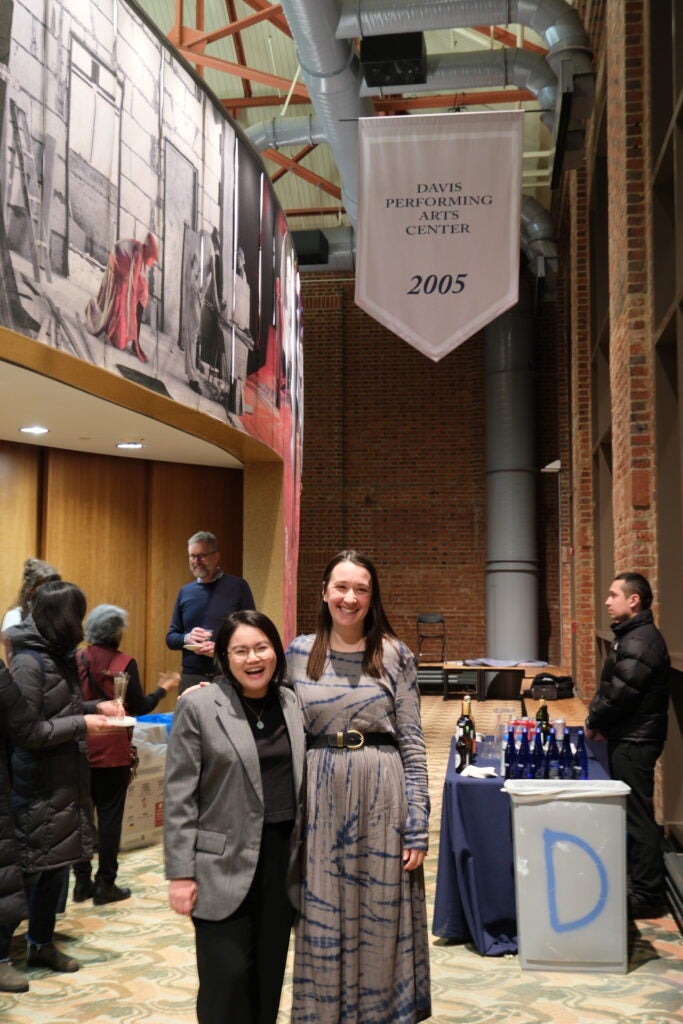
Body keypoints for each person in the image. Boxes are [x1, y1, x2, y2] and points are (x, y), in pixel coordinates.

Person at [286, 549, 431, 1024]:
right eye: (341, 587)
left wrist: (417, 823)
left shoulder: (394, 653)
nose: (350, 597)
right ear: (324, 592)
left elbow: (412, 742)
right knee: (321, 913)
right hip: (320, 798)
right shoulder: (298, 652)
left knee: (379, 918)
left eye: (361, 589)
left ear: (372, 598)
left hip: (380, 795)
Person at [164, 609, 305, 1024]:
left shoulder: (291, 703)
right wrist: (180, 873)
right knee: (225, 984)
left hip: (282, 862)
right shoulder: (201, 706)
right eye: (240, 650)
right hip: (219, 865)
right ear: (225, 657)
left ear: (276, 652)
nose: (252, 659)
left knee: (267, 981)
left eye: (261, 647)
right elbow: (178, 795)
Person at [1, 582, 123, 982]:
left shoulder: (59, 657)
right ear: (62, 617)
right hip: (34, 783)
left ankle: (41, 945)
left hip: (63, 780)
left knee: (55, 867)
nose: (83, 624)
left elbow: (60, 710)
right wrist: (83, 723)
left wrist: (93, 707)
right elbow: (28, 731)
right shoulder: (28, 663)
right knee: (21, 874)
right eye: (78, 615)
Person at [72, 604, 180, 906]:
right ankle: (106, 883)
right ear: (117, 631)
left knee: (81, 816)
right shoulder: (124, 662)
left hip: (79, 747)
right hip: (113, 752)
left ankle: (81, 882)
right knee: (109, 817)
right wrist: (163, 689)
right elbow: (141, 706)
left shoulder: (76, 658)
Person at [585, 572, 671, 920]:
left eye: (613, 595)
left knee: (638, 816)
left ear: (633, 600)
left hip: (636, 739)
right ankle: (637, 883)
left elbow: (622, 693)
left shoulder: (641, 640)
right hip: (629, 735)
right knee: (633, 812)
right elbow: (613, 687)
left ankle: (648, 894)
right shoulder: (632, 636)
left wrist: (596, 721)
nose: (607, 601)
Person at [166, 531, 255, 693]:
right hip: (192, 676)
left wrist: (221, 649)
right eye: (192, 556)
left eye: (201, 556)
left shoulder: (238, 587)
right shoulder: (185, 592)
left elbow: (251, 633)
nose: (196, 562)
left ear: (216, 556)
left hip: (227, 672)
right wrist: (187, 638)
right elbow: (171, 638)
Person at [84, 232, 159, 362]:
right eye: (151, 256)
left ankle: (133, 339)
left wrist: (140, 302)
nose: (151, 260)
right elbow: (131, 287)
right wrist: (132, 315)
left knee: (143, 291)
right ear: (147, 250)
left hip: (125, 260)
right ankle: (113, 329)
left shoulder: (142, 251)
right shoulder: (138, 254)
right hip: (118, 260)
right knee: (122, 295)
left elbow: (139, 281)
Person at [1, 558, 61, 661]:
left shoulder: (57, 615)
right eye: (45, 587)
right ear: (31, 589)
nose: (51, 592)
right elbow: (12, 657)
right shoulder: (15, 615)